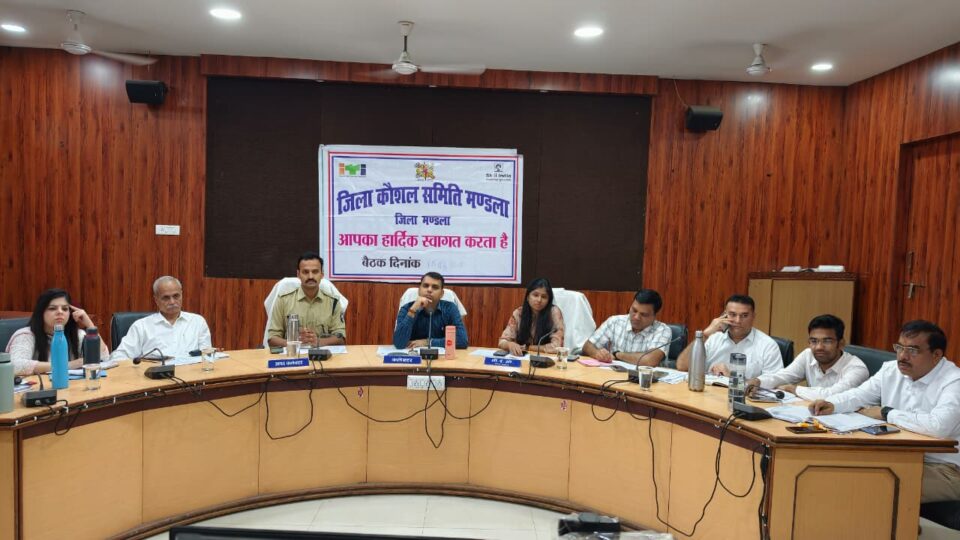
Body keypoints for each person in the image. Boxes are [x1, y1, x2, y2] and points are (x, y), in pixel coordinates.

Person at [809, 321, 960, 503]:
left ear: (936, 355)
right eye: (899, 348)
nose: (902, 356)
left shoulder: (954, 381)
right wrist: (832, 404)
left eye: (912, 350)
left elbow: (938, 426)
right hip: (899, 456)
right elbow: (860, 395)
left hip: (945, 467)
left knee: (875, 485)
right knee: (839, 468)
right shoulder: (891, 370)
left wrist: (886, 413)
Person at [746, 314, 869, 400]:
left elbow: (832, 396)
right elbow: (784, 376)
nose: (819, 347)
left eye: (827, 341)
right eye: (814, 341)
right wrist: (758, 381)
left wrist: (794, 389)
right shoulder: (808, 355)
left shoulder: (857, 368)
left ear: (841, 343)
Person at [7, 288, 109, 376]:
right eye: (52, 308)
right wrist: (68, 365)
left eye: (65, 309)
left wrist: (90, 325)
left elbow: (103, 358)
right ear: (41, 312)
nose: (60, 312)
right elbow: (14, 365)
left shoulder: (78, 335)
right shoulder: (26, 335)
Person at [676, 294, 782, 378]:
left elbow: (775, 384)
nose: (738, 320)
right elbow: (682, 367)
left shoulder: (768, 345)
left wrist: (732, 377)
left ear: (753, 316)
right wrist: (704, 335)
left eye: (744, 315)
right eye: (733, 314)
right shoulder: (712, 338)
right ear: (724, 315)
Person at [111, 276, 213, 360]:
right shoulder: (141, 326)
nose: (172, 302)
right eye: (166, 298)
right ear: (156, 300)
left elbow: (207, 357)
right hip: (154, 377)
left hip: (191, 376)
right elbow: (119, 357)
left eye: (176, 296)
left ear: (182, 295)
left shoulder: (197, 322)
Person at [267, 252, 346, 348]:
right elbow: (272, 338)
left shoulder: (333, 302)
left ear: (322, 274)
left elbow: (340, 338)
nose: (310, 276)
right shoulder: (283, 300)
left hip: (322, 355)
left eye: (315, 272)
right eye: (305, 272)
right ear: (298, 274)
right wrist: (294, 343)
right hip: (292, 355)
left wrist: (318, 341)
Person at [582, 289, 671, 366]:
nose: (636, 317)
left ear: (655, 316)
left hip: (647, 379)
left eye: (643, 314)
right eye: (634, 310)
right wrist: (598, 354)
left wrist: (617, 355)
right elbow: (587, 346)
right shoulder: (615, 322)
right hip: (614, 376)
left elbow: (649, 361)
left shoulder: (663, 330)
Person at [393, 271, 468, 349]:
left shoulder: (450, 308)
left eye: (435, 287)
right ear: (419, 290)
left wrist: (428, 342)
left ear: (441, 294)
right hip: (414, 354)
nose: (429, 290)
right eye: (425, 286)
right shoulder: (407, 308)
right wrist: (413, 310)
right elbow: (399, 343)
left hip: (441, 356)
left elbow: (462, 340)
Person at [498, 278, 565, 356]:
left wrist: (528, 347)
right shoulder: (519, 313)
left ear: (548, 300)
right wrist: (509, 344)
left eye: (544, 297)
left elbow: (557, 347)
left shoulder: (554, 313)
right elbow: (502, 341)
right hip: (522, 357)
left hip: (545, 358)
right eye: (535, 295)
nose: (539, 300)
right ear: (528, 297)